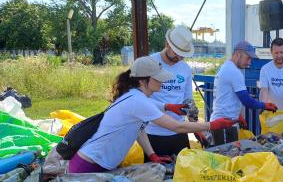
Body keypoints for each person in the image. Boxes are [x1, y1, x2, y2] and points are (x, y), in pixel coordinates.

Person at [68, 56, 236, 173]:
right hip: (89, 165)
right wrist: (212, 125)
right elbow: (177, 126)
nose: (162, 81)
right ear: (143, 80)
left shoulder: (135, 96)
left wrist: (152, 154)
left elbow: (138, 130)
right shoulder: (138, 100)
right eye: (157, 78)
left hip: (99, 162)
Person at [146, 25, 207, 157]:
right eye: (176, 53)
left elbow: (188, 99)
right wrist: (167, 107)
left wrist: (195, 127)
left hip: (179, 132)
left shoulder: (184, 68)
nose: (179, 57)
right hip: (154, 133)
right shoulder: (150, 63)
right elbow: (141, 100)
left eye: (183, 55)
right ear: (167, 44)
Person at [210, 41, 278, 145]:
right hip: (224, 124)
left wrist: (238, 116)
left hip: (224, 122)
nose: (249, 62)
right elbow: (246, 101)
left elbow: (231, 97)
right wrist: (265, 105)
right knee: (227, 158)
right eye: (248, 58)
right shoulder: (234, 72)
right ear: (238, 54)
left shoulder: (226, 67)